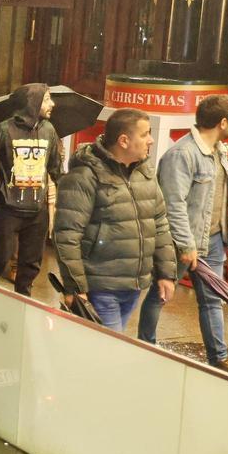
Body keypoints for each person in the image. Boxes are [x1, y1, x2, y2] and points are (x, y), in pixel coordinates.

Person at [135, 95, 228, 377]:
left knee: (213, 299)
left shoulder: (219, 151)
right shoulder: (182, 154)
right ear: (222, 122)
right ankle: (144, 347)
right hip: (182, 242)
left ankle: (219, 359)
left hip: (211, 240)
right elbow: (172, 203)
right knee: (161, 293)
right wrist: (186, 245)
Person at [53, 109, 177, 332]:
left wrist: (166, 273)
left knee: (104, 351)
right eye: (145, 134)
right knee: (109, 351)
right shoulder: (84, 176)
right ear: (124, 140)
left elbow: (159, 223)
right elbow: (67, 236)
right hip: (101, 286)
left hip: (133, 285)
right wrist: (76, 287)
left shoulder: (144, 172)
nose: (151, 140)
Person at [0, 83, 63, 297]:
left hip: (38, 211)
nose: (52, 104)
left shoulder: (49, 130)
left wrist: (70, 201)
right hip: (8, 209)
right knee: (2, 256)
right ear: (32, 102)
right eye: (46, 99)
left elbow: (56, 170)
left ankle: (23, 300)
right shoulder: (4, 129)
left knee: (31, 265)